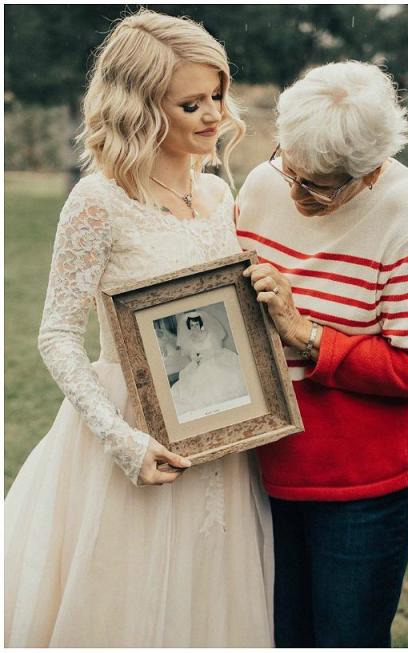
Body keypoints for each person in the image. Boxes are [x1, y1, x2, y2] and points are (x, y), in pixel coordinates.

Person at [4, 10, 273, 646]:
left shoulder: (216, 196)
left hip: (223, 437)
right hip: (129, 432)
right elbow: (58, 335)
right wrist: (120, 437)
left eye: (217, 96)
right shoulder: (98, 202)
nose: (212, 115)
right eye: (191, 103)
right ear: (142, 109)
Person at [235, 61, 408, 647]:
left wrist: (306, 335)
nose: (297, 194)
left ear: (373, 168)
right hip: (257, 468)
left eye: (323, 184)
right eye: (292, 169)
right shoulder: (263, 184)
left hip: (358, 491)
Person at [169, 310, 249, 419]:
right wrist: (196, 358)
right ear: (189, 326)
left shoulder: (209, 334)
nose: (194, 327)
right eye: (192, 325)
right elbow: (192, 354)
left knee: (223, 375)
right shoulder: (189, 339)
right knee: (194, 383)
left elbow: (217, 349)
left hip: (214, 359)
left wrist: (206, 355)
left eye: (196, 324)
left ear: (200, 324)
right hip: (199, 363)